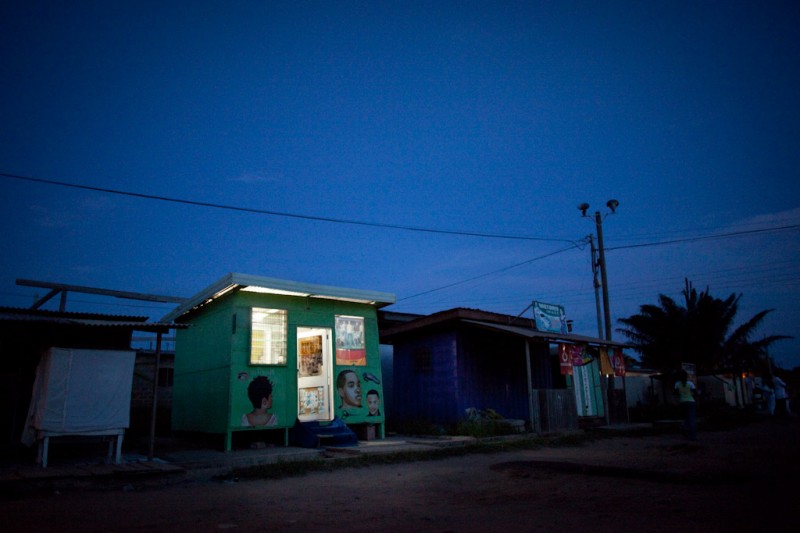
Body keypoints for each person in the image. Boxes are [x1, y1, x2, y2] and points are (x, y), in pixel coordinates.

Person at [674, 370, 697, 440]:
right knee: (692, 418)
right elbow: (695, 393)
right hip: (691, 401)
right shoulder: (690, 383)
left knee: (685, 418)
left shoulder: (677, 384)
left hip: (682, 402)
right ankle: (692, 435)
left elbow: (676, 394)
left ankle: (685, 429)